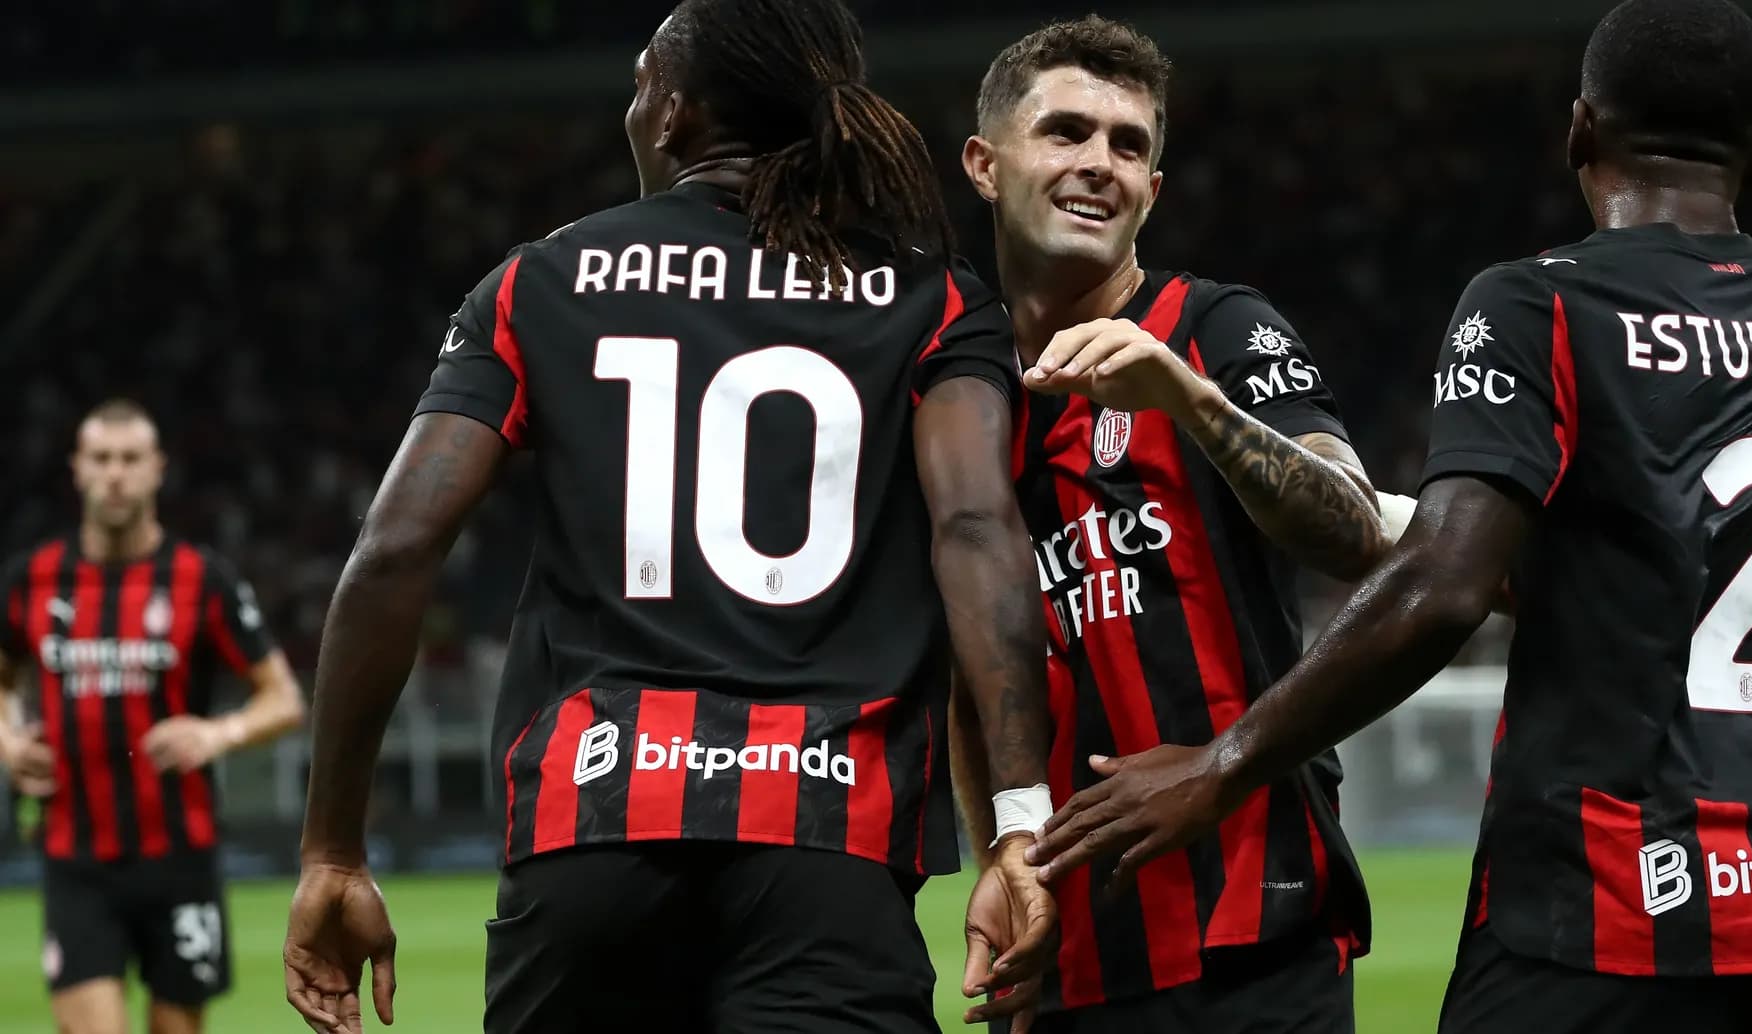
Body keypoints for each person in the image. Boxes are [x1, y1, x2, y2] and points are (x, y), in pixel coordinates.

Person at [1028, 2, 1752, 1032]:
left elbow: (1444, 585)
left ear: (1579, 130)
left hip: (1601, 903)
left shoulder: (1538, 305)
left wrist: (1225, 760)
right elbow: (1670, 571)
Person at [279, 2, 1056, 1032]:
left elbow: (397, 548)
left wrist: (333, 847)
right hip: (828, 840)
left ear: (678, 114)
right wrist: (1016, 827)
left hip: (593, 830)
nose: (635, 106)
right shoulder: (934, 301)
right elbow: (973, 530)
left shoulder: (539, 282)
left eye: (643, 82)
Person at [949, 16, 1393, 1034]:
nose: (1098, 163)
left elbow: (1355, 532)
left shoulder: (1217, 327)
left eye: (1128, 145)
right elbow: (967, 671)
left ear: (1151, 190)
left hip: (1258, 933)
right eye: (1065, 131)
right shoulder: (955, 389)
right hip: (1064, 950)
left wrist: (1189, 398)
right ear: (984, 163)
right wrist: (998, 853)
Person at [0, 398, 306, 1034]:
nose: (116, 473)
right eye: (102, 458)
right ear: (77, 468)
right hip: (75, 860)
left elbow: (284, 698)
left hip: (180, 856)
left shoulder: (203, 580)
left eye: (130, 459)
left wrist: (216, 732)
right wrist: (5, 740)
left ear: (157, 469)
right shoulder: (32, 580)